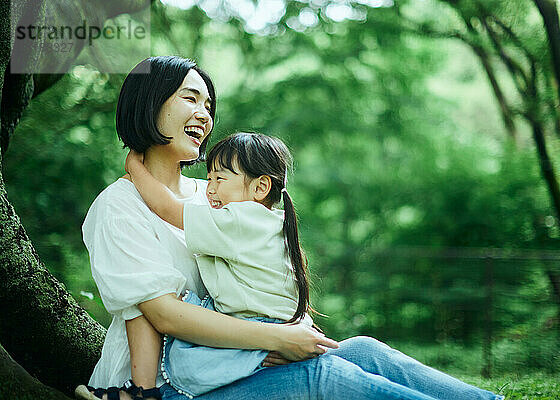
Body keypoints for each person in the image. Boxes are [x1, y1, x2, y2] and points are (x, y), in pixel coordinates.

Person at [76, 55, 504, 400]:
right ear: (150, 105)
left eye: (208, 105)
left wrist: (281, 335)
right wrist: (275, 338)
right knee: (326, 376)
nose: (204, 115)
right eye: (190, 99)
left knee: (364, 350)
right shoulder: (119, 205)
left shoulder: (209, 194)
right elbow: (164, 315)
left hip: (232, 357)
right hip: (167, 381)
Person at [122, 131, 323, 397]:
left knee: (171, 332)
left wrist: (135, 168)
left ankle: (140, 393)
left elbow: (167, 207)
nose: (210, 188)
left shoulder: (241, 218)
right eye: (208, 179)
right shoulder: (273, 222)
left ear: (260, 188)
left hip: (259, 326)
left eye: (220, 179)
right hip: (283, 324)